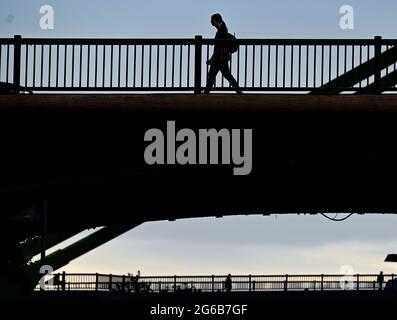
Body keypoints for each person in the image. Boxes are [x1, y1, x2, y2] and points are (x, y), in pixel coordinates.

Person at [204, 14, 242, 94]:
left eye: (212, 20)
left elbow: (219, 47)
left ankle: (206, 92)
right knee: (223, 74)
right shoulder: (222, 30)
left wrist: (212, 59)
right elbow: (218, 47)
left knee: (215, 74)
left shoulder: (222, 31)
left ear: (216, 20)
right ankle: (238, 90)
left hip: (220, 58)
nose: (211, 21)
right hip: (221, 58)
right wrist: (212, 59)